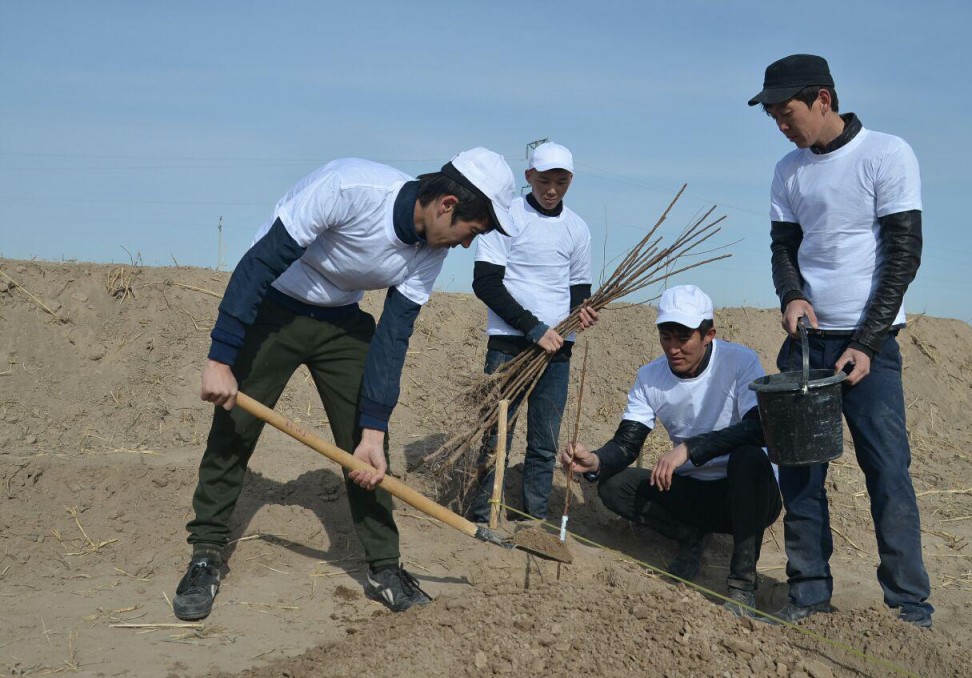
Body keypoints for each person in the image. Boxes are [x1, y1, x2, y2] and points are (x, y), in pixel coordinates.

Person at [173, 148, 518, 620]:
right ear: (448, 205)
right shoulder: (350, 188)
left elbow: (394, 336)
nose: (464, 245)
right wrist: (221, 357)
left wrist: (373, 429)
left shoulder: (429, 251)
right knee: (234, 428)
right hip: (276, 305)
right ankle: (206, 553)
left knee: (367, 449)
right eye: (470, 233)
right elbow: (260, 263)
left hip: (340, 321)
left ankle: (385, 568)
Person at [749, 54, 933, 627]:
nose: (781, 124)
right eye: (773, 115)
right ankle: (809, 595)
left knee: (887, 472)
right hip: (808, 344)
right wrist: (791, 298)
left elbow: (904, 254)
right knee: (800, 473)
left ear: (823, 99)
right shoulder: (788, 169)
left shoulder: (887, 153)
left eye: (788, 111)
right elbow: (782, 247)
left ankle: (908, 608)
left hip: (868, 347)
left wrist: (869, 341)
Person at [560, 285, 782, 618]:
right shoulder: (650, 377)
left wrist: (690, 448)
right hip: (693, 494)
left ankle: (741, 588)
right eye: (667, 337)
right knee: (613, 485)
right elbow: (627, 444)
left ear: (709, 334)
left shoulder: (740, 362)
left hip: (749, 496)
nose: (674, 349)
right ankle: (690, 535)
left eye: (683, 338)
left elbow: (759, 428)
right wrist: (595, 460)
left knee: (749, 458)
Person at [467, 142, 598, 523]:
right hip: (509, 344)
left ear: (571, 180)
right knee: (496, 434)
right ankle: (482, 515)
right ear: (528, 177)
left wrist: (582, 315)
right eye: (544, 180)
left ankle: (533, 520)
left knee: (543, 444)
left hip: (557, 350)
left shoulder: (577, 228)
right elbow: (486, 283)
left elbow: (579, 290)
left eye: (561, 181)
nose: (552, 189)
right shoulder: (505, 216)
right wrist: (533, 327)